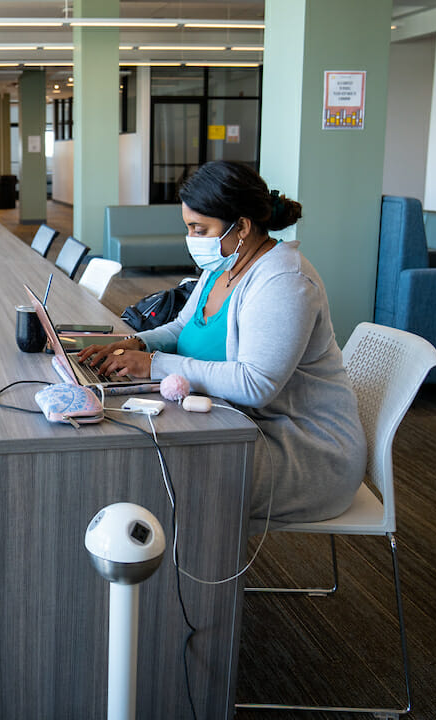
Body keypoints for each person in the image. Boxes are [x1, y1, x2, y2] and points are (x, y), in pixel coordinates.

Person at [78, 161, 366, 527]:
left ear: (242, 227)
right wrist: (134, 343)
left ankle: (185, 577)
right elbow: (184, 326)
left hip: (299, 450)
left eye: (200, 229)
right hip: (230, 420)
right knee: (122, 441)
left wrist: (153, 364)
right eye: (189, 229)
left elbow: (255, 384)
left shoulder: (283, 281)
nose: (193, 239)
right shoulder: (223, 265)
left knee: (141, 469)